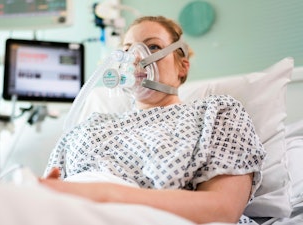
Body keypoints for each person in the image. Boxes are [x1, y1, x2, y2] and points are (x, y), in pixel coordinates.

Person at [39, 16, 266, 224]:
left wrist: (106, 195)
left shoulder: (215, 114)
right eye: (127, 51)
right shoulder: (88, 126)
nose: (137, 58)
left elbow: (223, 211)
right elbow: (44, 191)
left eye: (153, 47)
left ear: (182, 68)